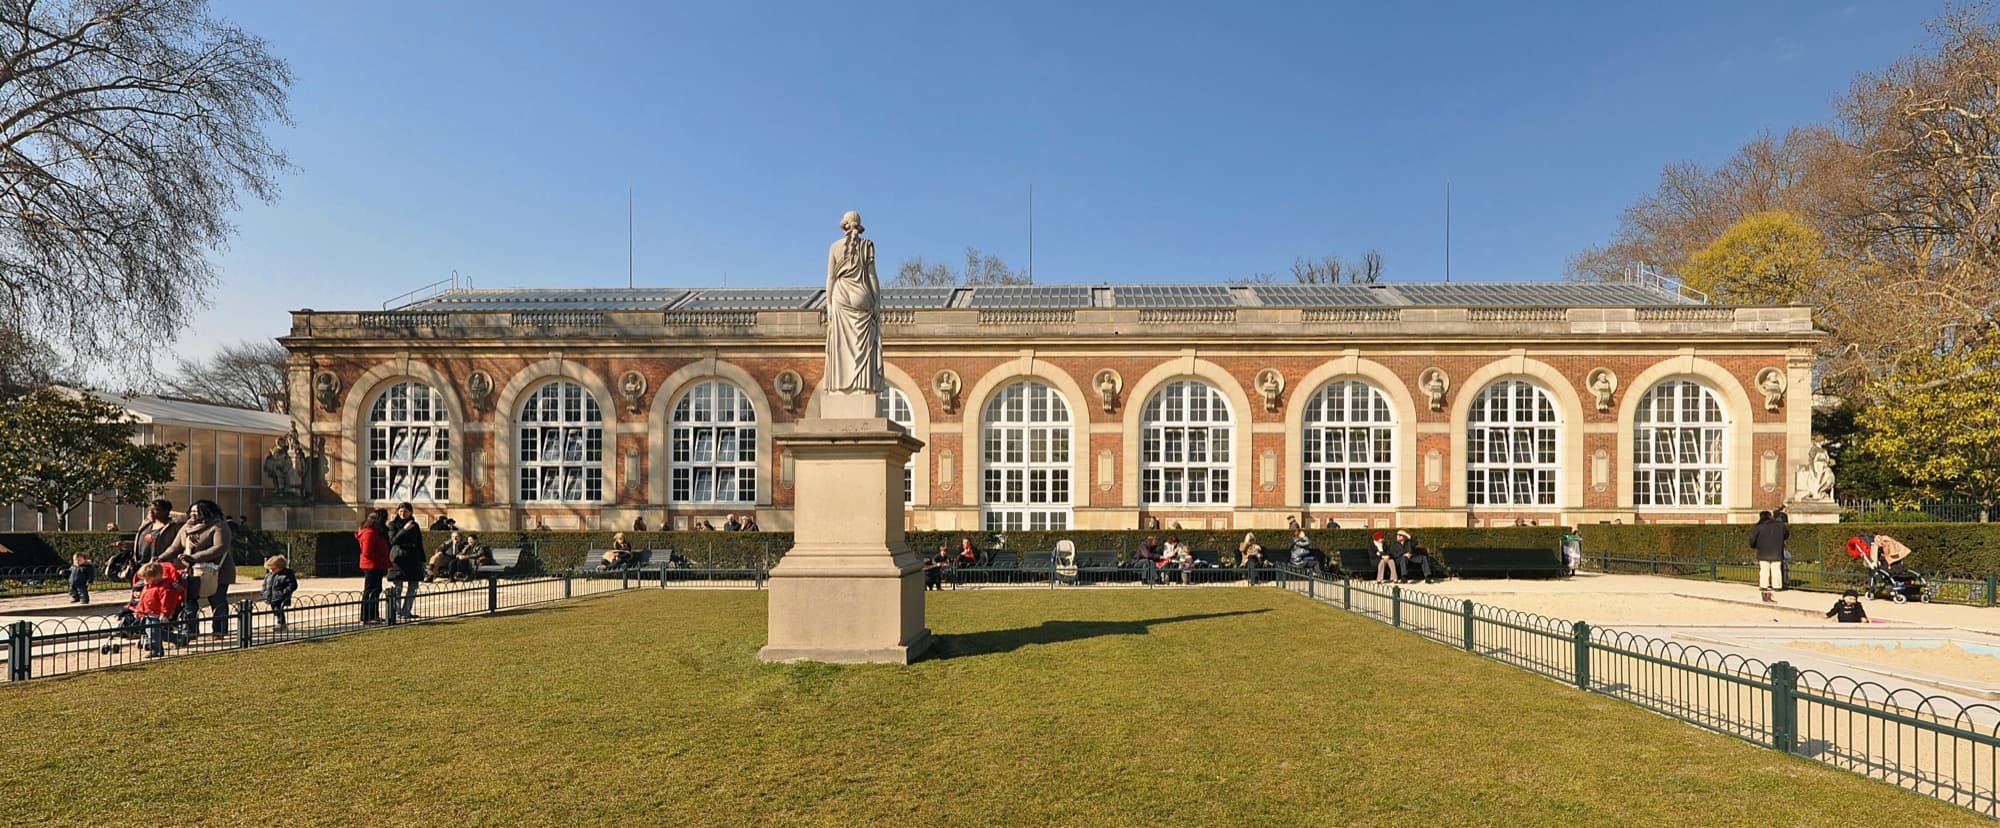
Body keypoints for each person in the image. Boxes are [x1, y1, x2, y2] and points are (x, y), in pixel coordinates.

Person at [163, 499, 234, 640]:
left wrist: (195, 557)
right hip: (191, 570)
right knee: (189, 600)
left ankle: (219, 631)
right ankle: (191, 631)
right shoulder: (186, 528)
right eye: (192, 511)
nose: (193, 514)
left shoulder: (219, 526)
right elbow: (174, 547)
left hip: (216, 570)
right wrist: (160, 558)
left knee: (217, 599)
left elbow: (219, 548)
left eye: (197, 511)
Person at [135, 561, 185, 658]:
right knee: (154, 631)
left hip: (158, 613)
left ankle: (156, 650)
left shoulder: (165, 588)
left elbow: (167, 602)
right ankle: (178, 638)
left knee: (153, 631)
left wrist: (165, 614)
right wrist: (139, 609)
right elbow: (143, 599)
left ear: (155, 577)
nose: (144, 581)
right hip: (148, 612)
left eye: (146, 578)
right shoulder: (148, 586)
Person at [386, 502, 425, 621]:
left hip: (413, 556)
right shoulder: (393, 524)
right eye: (401, 511)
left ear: (410, 512)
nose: (403, 514)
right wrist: (404, 529)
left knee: (413, 586)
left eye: (406, 511)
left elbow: (419, 543)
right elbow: (393, 540)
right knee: (398, 587)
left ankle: (406, 610)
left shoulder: (415, 525)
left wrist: (423, 560)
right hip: (399, 556)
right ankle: (397, 611)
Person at [356, 509, 390, 625]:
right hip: (371, 565)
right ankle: (365, 617)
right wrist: (380, 557)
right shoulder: (370, 532)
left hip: (376, 564)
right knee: (369, 591)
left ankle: (374, 615)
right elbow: (367, 552)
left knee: (376, 590)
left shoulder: (374, 531)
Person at [1748, 510, 1788, 603]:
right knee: (1776, 569)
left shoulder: (1759, 526)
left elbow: (1752, 538)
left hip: (1763, 551)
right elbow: (1786, 535)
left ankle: (1764, 585)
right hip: (1777, 550)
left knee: (1764, 569)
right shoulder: (1780, 525)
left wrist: (1754, 545)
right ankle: (1777, 586)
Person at [261, 555, 298, 632]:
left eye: (273, 569)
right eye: (270, 569)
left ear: (280, 567)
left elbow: (292, 585)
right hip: (271, 596)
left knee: (278, 609)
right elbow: (265, 584)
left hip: (280, 596)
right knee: (275, 610)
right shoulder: (269, 575)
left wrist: (284, 592)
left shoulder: (286, 574)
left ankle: (281, 623)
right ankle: (280, 622)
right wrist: (264, 592)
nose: (271, 570)